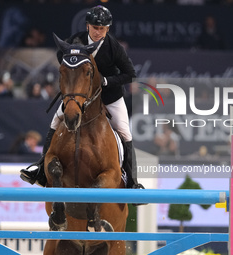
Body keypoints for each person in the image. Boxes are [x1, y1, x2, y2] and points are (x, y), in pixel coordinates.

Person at [20, 5, 144, 191]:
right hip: (80, 96)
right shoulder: (75, 40)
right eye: (95, 28)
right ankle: (40, 169)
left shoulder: (113, 46)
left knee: (125, 131)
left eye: (102, 28)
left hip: (109, 96)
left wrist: (105, 81)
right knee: (55, 121)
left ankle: (132, 182)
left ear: (108, 29)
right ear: (88, 26)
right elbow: (60, 55)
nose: (98, 32)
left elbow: (130, 74)